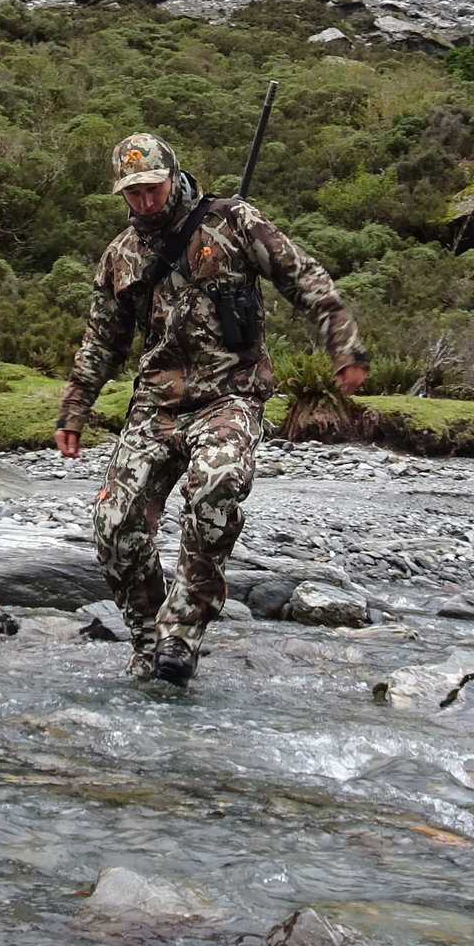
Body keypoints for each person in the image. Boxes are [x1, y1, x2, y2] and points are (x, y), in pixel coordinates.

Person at [54, 132, 368, 685]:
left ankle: (184, 630)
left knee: (216, 485)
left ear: (173, 175)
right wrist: (74, 409)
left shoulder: (235, 223)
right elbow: (102, 340)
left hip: (230, 395)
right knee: (112, 523)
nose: (145, 202)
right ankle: (149, 640)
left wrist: (343, 346)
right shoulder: (120, 256)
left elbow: (304, 278)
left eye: (152, 188)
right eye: (133, 193)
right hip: (156, 403)